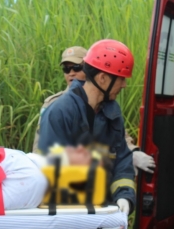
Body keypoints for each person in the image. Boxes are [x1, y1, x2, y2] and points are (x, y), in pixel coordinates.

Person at [37, 39, 141, 229]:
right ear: (103, 78)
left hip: (101, 227)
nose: (124, 85)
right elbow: (52, 174)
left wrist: (124, 197)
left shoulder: (113, 113)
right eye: (121, 78)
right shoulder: (60, 112)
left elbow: (121, 160)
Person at [33, 46, 155, 176]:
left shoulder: (106, 100)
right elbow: (41, 146)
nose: (71, 73)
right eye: (66, 69)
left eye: (76, 67)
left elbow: (118, 135)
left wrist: (131, 153)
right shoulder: (55, 105)